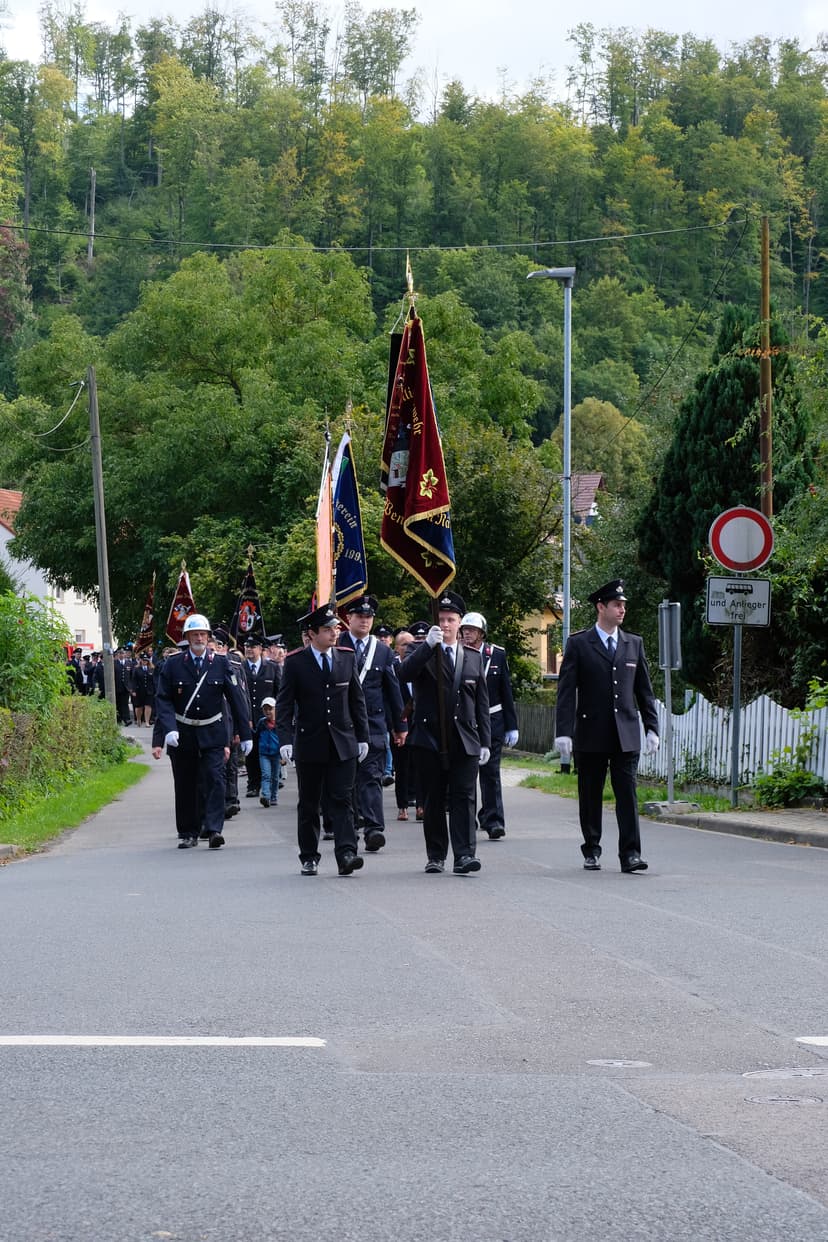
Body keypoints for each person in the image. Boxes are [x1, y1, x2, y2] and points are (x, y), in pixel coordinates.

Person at [554, 578, 659, 873]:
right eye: (617, 604)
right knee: (590, 793)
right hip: (590, 732)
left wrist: (652, 727)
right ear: (601, 607)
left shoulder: (633, 643)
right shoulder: (579, 643)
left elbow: (644, 691)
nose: (622, 609)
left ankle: (631, 854)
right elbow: (566, 691)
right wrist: (563, 731)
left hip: (625, 732)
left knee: (627, 793)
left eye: (623, 605)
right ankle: (592, 847)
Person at [397, 590, 491, 875]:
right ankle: (436, 855)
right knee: (434, 798)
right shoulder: (421, 651)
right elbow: (404, 675)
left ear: (460, 623)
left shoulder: (472, 657)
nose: (446, 624)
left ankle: (464, 855)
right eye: (441, 619)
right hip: (429, 738)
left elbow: (481, 703)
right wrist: (427, 645)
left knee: (464, 797)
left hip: (464, 738)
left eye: (451, 619)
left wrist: (484, 740)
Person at [275, 602, 370, 876]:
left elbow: (357, 700)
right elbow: (284, 705)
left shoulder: (346, 657)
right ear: (312, 633)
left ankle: (347, 854)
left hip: (343, 742)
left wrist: (362, 736)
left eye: (336, 628)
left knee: (342, 800)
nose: (334, 633)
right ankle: (309, 856)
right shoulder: (295, 662)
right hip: (310, 743)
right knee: (309, 803)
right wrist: (285, 740)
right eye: (328, 629)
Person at [152, 615, 253, 849]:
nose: (199, 638)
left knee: (214, 779)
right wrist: (168, 730)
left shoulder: (220, 663)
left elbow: (236, 699)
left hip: (213, 732)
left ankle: (215, 828)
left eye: (203, 635)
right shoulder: (173, 664)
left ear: (208, 638)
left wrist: (245, 734)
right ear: (187, 637)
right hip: (184, 733)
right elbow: (163, 699)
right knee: (186, 783)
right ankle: (188, 831)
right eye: (195, 634)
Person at [338, 594, 407, 852]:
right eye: (360, 616)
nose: (365, 621)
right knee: (347, 781)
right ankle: (349, 825)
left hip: (373, 724)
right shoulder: (337, 644)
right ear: (349, 619)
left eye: (369, 617)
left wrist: (400, 726)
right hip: (343, 726)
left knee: (372, 777)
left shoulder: (383, 651)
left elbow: (393, 690)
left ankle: (374, 828)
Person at [460, 611, 519, 840]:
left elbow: (506, 690)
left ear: (481, 633)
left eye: (471, 630)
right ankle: (468, 818)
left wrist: (511, 725)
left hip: (493, 721)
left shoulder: (496, 654)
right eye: (464, 630)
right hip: (465, 722)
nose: (467, 634)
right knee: (467, 774)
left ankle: (493, 820)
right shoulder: (458, 654)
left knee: (491, 773)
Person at [241, 634, 281, 799]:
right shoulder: (240, 667)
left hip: (268, 719)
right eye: (247, 646)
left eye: (253, 646)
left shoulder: (272, 667)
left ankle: (272, 785)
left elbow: (279, 692)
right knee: (251, 752)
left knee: (270, 751)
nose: (249, 649)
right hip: (248, 716)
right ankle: (253, 784)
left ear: (260, 649)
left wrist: (278, 716)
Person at [255, 696, 281, 807]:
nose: (268, 711)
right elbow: (256, 734)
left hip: (276, 754)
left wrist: (284, 756)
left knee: (275, 776)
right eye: (265, 709)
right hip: (264, 753)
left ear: (275, 709)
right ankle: (265, 796)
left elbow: (284, 737)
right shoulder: (262, 722)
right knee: (266, 774)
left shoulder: (279, 722)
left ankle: (274, 796)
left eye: (270, 709)